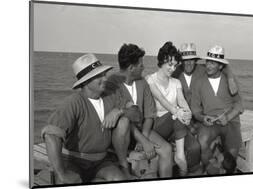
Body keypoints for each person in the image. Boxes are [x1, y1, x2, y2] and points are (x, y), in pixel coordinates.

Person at [41, 53, 141, 184]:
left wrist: (119, 111)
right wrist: (61, 174)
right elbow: (50, 135)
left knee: (119, 180)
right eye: (99, 76)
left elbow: (136, 114)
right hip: (73, 162)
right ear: (86, 81)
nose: (105, 79)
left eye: (104, 74)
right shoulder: (73, 102)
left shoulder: (111, 95)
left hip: (101, 161)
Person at [106, 43, 173, 178]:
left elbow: (149, 114)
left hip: (141, 130)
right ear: (131, 68)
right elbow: (122, 118)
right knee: (124, 121)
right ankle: (123, 166)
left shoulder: (142, 82)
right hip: (121, 134)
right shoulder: (112, 84)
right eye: (140, 64)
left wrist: (145, 136)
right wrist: (143, 140)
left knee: (167, 149)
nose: (143, 67)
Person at [172, 43, 239, 173]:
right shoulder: (175, 73)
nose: (188, 63)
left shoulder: (203, 69)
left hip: (202, 117)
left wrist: (230, 78)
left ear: (196, 60)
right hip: (184, 118)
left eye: (191, 60)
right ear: (180, 62)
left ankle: (212, 168)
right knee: (198, 144)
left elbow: (222, 66)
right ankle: (198, 169)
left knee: (228, 145)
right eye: (185, 60)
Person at [190, 45, 244, 174]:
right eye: (208, 61)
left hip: (230, 120)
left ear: (220, 66)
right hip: (210, 121)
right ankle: (211, 172)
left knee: (232, 153)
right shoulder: (198, 82)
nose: (208, 65)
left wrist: (228, 117)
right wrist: (203, 118)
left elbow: (239, 104)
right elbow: (195, 108)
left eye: (213, 63)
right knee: (203, 141)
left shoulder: (230, 80)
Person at [146, 41, 192, 176]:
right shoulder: (150, 80)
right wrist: (178, 112)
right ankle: (180, 157)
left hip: (174, 124)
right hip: (156, 126)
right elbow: (161, 98)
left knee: (194, 146)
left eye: (175, 65)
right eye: (170, 64)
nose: (173, 69)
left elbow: (182, 100)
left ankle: (181, 161)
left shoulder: (176, 82)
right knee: (176, 115)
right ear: (162, 61)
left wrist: (188, 113)